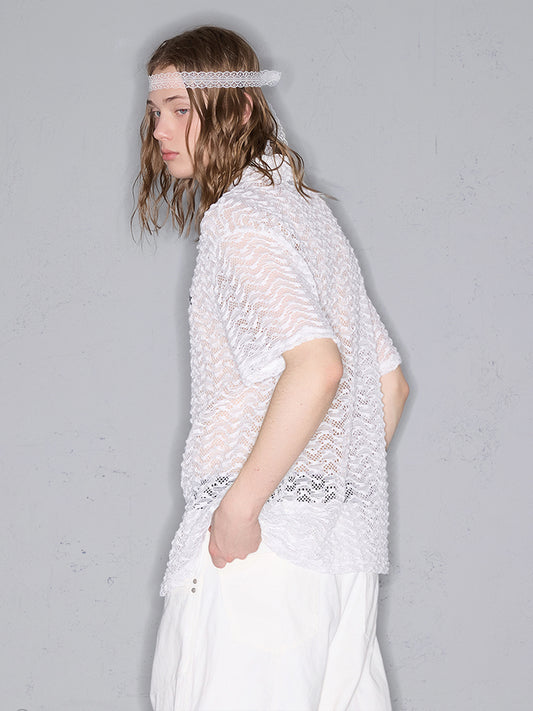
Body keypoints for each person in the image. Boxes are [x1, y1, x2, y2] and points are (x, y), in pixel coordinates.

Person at [135, 24, 409, 711]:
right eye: (154, 109)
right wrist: (319, 493)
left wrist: (244, 506)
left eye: (180, 108)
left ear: (238, 107)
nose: (160, 129)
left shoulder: (239, 222)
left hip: (259, 562)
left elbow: (318, 367)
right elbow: (388, 382)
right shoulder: (305, 213)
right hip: (338, 564)